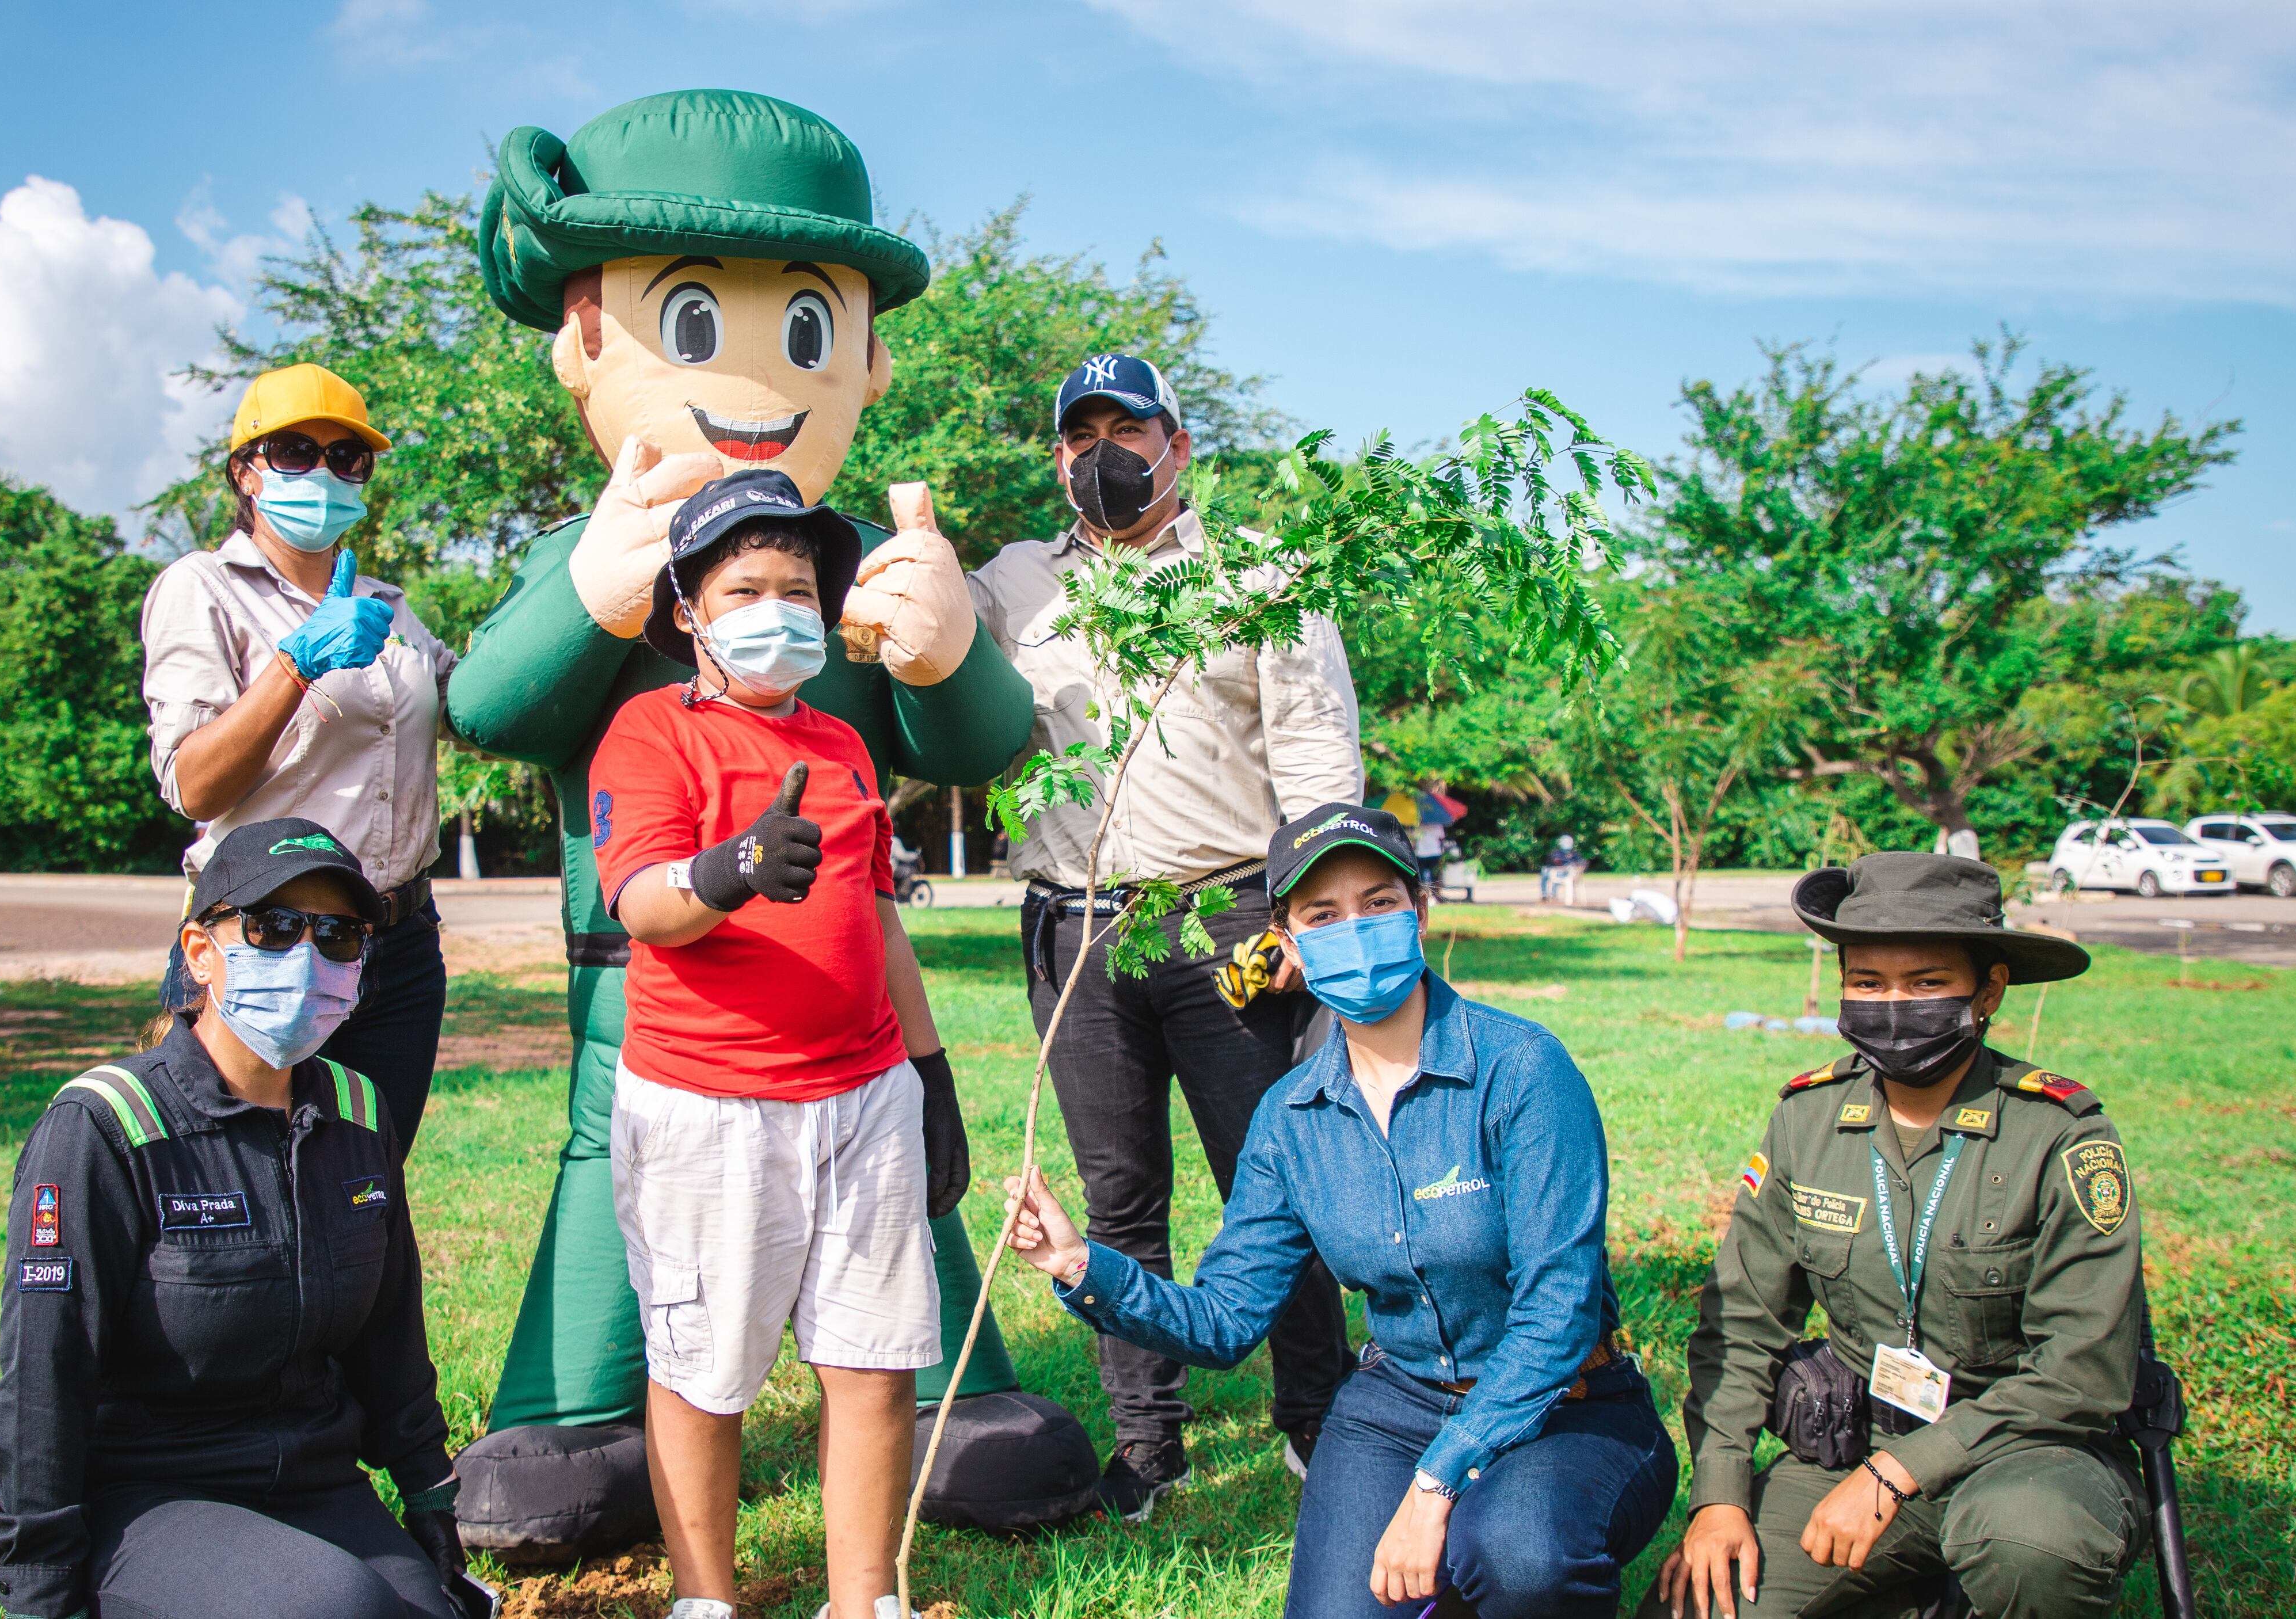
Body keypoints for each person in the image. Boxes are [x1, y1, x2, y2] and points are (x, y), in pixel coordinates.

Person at [440, 89, 1086, 1558]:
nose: (752, 374)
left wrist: (942, 646)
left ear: (858, 351)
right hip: (648, 1011)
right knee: (641, 1275)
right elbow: (486, 701)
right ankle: (585, 1434)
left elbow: (976, 744)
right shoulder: (605, 567)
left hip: (850, 1012)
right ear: (582, 341)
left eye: (805, 329)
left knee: (893, 1257)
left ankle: (944, 1418)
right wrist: (587, 597)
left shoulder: (848, 573)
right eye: (688, 321)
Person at [1003, 803, 1677, 1617]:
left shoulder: (1525, 1072)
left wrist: (1437, 1481)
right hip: (1401, 1401)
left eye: (1378, 904)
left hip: (1569, 1405)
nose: (1353, 929)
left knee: (1517, 1554)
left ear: (1419, 914)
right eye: (1323, 915)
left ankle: (1486, 1543)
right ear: (1286, 944)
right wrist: (1081, 1265)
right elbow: (1225, 1318)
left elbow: (1559, 1315)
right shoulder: (1289, 1119)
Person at [965, 351, 1364, 1513]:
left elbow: (1317, 761)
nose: (1101, 453)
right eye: (1077, 433)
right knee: (1119, 1190)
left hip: (1228, 920)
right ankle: (1149, 1445)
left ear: (1177, 446)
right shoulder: (1017, 581)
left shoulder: (1259, 581)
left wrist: (1306, 912)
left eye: (1125, 429)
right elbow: (925, 640)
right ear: (1055, 456)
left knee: (1270, 1176)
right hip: (1075, 928)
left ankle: (1315, 1415)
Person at [586, 469, 957, 1619]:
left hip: (864, 1093)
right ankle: (706, 1594)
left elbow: (879, 915)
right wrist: (732, 868)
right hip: (710, 1105)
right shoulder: (649, 732)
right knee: (702, 1367)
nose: (777, 606)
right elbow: (642, 902)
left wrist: (931, 1074)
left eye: (798, 586)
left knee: (875, 1354)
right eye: (743, 584)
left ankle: (864, 1597)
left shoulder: (843, 742)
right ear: (687, 607)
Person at [0, 818, 476, 1619]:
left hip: (309, 1475)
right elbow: (43, 1377)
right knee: (335, 1608)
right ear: (201, 952)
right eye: (275, 927)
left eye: (339, 935)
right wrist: (40, 1589)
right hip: (144, 1492)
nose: (309, 956)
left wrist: (429, 1496)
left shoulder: (356, 1110)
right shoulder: (106, 1125)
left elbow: (390, 1336)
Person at [1646, 852, 2147, 1619]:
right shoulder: (1807, 1120)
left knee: (2034, 1547)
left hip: (2030, 1453)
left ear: (1989, 991)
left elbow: (2080, 1372)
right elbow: (1741, 1326)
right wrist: (1718, 1499)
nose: (1893, 1005)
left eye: (1926, 983)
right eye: (1868, 982)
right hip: (1857, 1441)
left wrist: (1899, 1474)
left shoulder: (2059, 1137)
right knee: (1702, 1605)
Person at [140, 363, 459, 1159]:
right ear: (245, 471)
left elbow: (478, 710)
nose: (323, 470)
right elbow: (193, 783)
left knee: (367, 1188)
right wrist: (295, 664)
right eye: (293, 451)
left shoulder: (388, 608)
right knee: (244, 1184)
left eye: (346, 456)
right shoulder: (204, 587)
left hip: (400, 941)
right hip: (271, 938)